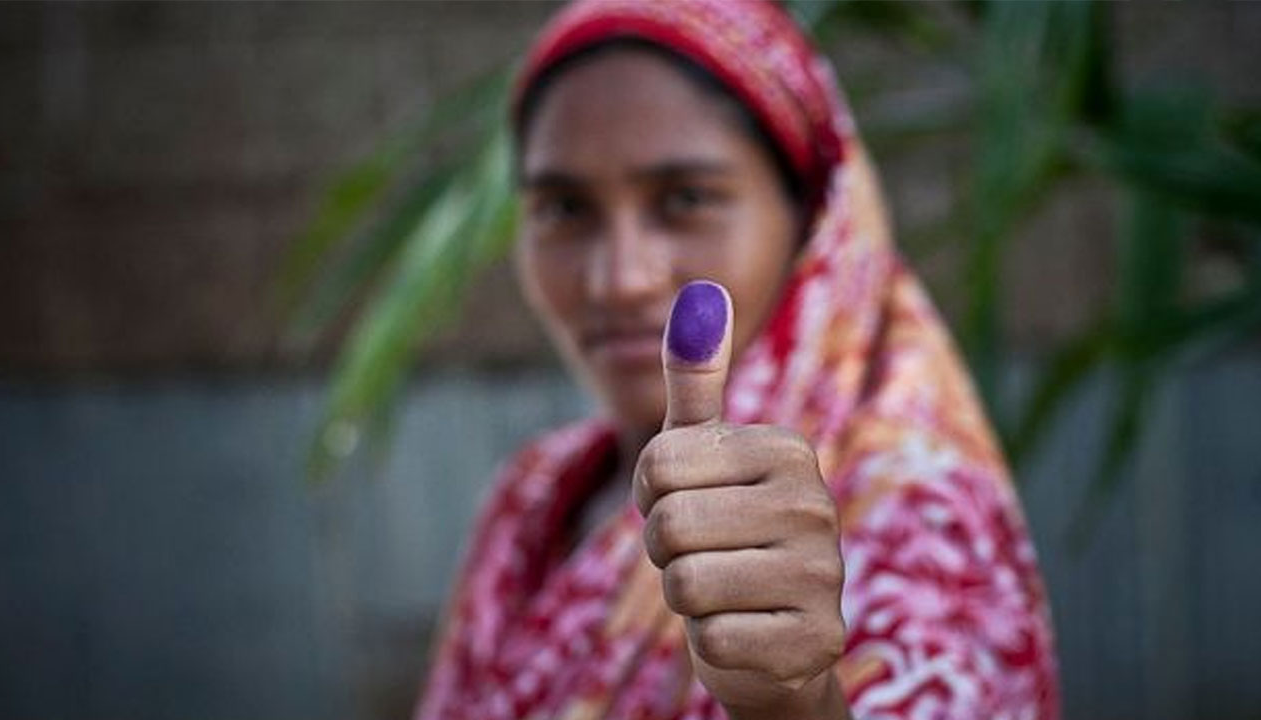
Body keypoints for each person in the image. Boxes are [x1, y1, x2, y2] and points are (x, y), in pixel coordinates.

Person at [417, 1, 1059, 718]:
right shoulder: (533, 499)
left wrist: (798, 705)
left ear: (814, 220)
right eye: (564, 209)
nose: (619, 277)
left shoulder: (919, 524)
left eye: (686, 199)